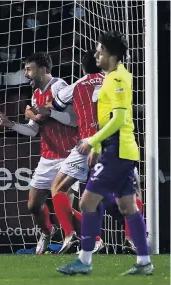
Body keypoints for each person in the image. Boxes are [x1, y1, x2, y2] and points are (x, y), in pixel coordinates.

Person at [57, 31, 153, 275]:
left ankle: (84, 261)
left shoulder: (117, 80)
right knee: (127, 206)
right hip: (114, 148)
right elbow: (105, 117)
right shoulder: (111, 78)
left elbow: (119, 118)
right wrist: (97, 147)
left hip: (118, 149)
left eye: (100, 50)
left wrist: (93, 140)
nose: (96, 54)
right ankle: (144, 261)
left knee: (87, 201)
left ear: (111, 54)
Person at [0, 52, 78, 254]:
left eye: (29, 69)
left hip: (68, 156)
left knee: (64, 206)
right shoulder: (35, 95)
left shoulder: (60, 87)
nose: (26, 74)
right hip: (47, 156)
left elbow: (74, 120)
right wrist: (11, 125)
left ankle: (76, 240)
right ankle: (46, 232)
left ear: (42, 69)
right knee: (33, 205)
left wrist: (47, 112)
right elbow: (33, 130)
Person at [48, 50, 105, 253]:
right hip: (112, 142)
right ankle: (123, 240)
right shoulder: (112, 81)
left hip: (86, 143)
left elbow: (55, 104)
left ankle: (71, 235)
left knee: (58, 188)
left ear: (83, 67)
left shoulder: (77, 85)